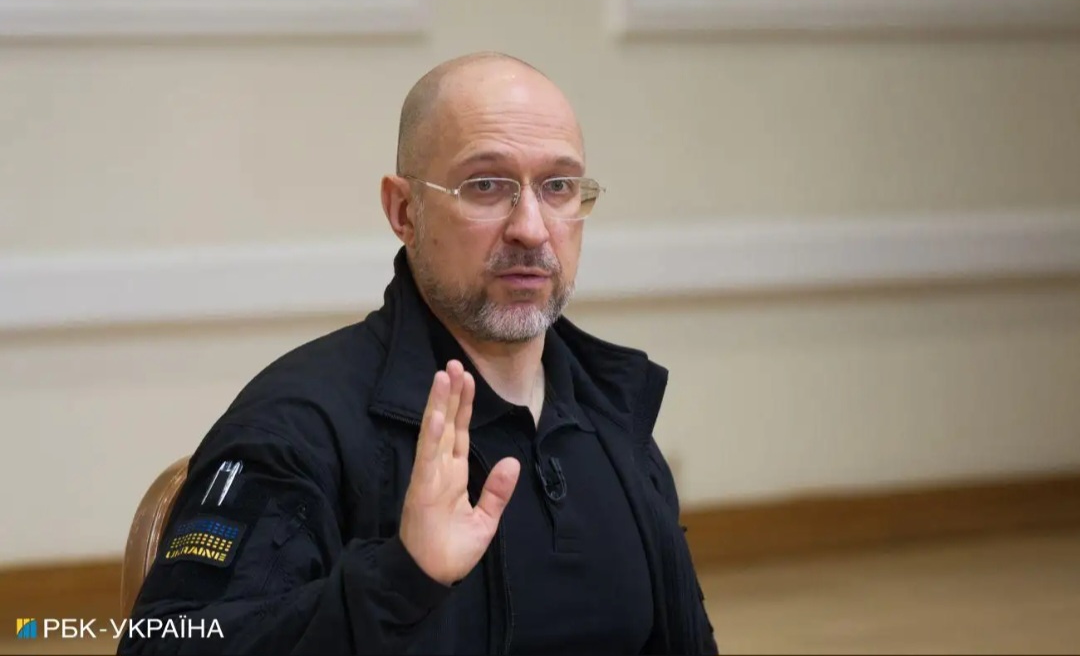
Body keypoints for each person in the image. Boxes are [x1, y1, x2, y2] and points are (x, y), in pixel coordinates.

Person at [117, 51, 717, 656]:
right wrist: (400, 581)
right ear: (404, 211)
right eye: (486, 186)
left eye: (557, 186)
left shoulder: (614, 412)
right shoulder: (298, 423)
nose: (532, 228)